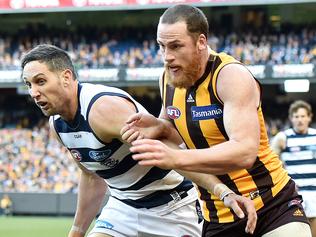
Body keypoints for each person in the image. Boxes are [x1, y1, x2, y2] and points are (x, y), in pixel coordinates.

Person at [21, 44, 257, 237]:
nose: (33, 92)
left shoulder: (102, 109)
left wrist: (221, 191)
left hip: (172, 208)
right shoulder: (57, 125)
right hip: (122, 207)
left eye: (40, 81)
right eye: (28, 85)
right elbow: (91, 176)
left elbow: (166, 150)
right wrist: (77, 230)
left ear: (66, 77)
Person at [120, 4, 312, 237]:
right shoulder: (168, 79)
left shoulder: (230, 76)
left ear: (201, 42)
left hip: (272, 206)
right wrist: (158, 127)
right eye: (161, 46)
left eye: (176, 46)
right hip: (217, 215)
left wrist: (177, 156)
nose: (167, 57)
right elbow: (177, 132)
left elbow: (244, 152)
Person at [271, 100, 316, 237]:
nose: (300, 120)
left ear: (309, 117)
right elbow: (271, 163)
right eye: (296, 116)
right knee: (296, 229)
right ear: (291, 118)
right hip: (294, 193)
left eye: (303, 116)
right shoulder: (283, 137)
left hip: (314, 191)